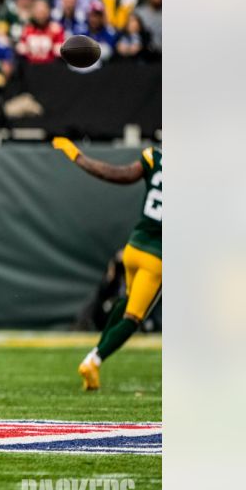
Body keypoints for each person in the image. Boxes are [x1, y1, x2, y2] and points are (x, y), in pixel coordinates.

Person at [52, 139, 162, 391]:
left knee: (127, 301)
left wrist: (79, 157)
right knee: (134, 318)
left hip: (134, 248)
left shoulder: (154, 158)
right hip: (157, 257)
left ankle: (95, 354)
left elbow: (117, 174)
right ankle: (94, 359)